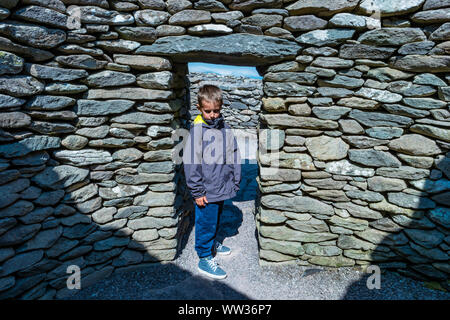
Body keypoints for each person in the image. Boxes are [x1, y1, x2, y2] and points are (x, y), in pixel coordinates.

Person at [183, 84, 241, 279]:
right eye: (208, 111)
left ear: (221, 107)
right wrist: (197, 191)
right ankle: (204, 256)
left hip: (222, 186)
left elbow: (234, 154)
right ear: (199, 108)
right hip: (206, 190)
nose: (213, 115)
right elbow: (191, 164)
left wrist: (235, 179)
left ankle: (212, 242)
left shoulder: (225, 127)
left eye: (216, 110)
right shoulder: (197, 132)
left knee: (215, 219)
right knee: (206, 222)